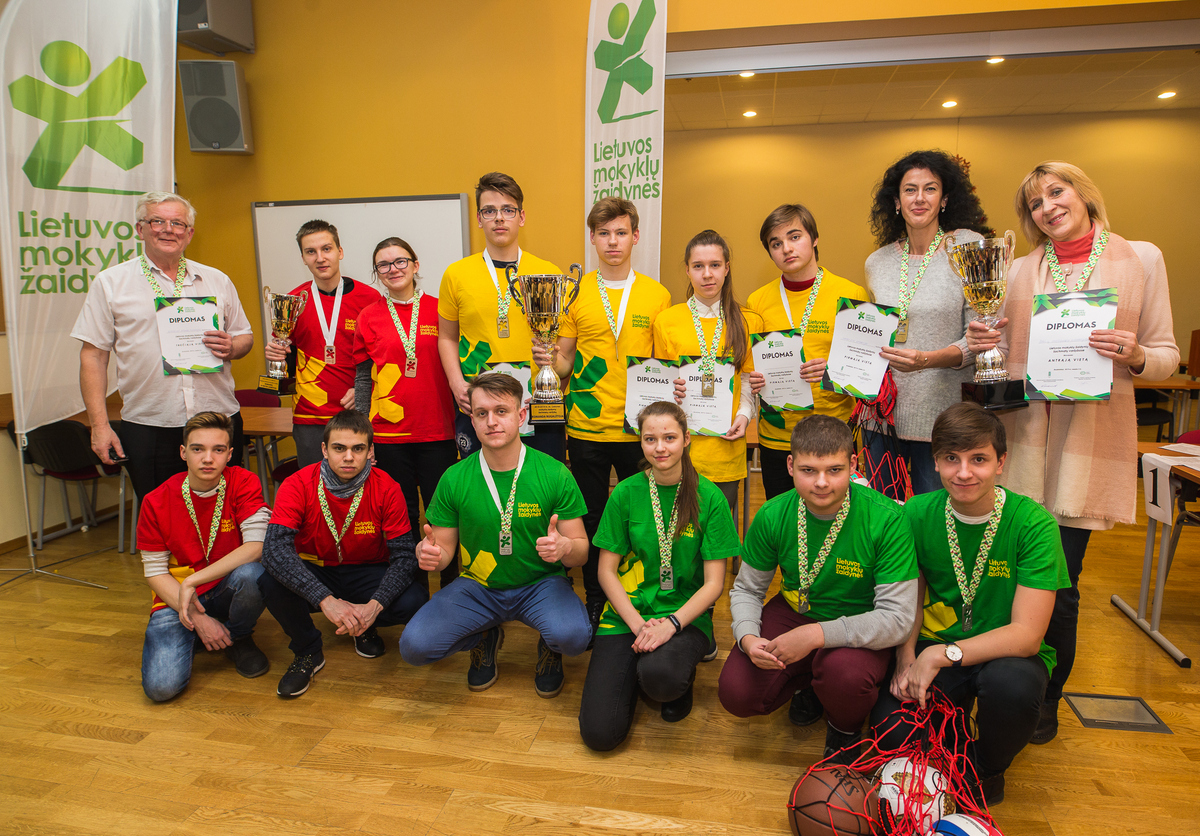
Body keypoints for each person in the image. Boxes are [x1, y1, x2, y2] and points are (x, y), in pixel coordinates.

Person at [965, 161, 1179, 744]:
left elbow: (1165, 354)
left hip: (1086, 448)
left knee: (1057, 584)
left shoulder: (1142, 259)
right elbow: (996, 350)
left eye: (1056, 192)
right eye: (1035, 203)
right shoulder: (1018, 270)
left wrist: (1136, 355)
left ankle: (1045, 698)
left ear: (1084, 193)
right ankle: (996, 685)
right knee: (1002, 577)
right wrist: (985, 344)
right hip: (1023, 443)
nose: (1047, 207)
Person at [871, 402, 1069, 805]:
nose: (963, 473)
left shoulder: (1034, 524)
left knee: (1012, 689)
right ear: (935, 461)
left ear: (1001, 462)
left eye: (978, 459)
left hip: (1006, 653)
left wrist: (940, 655)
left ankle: (987, 770)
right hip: (934, 641)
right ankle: (952, 725)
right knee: (891, 734)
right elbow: (911, 597)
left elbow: (1027, 636)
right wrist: (906, 656)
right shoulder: (916, 513)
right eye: (951, 459)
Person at [717, 415, 917, 764]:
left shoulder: (887, 519)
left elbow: (897, 619)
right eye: (808, 470)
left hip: (861, 620)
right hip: (796, 610)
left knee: (846, 677)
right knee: (737, 692)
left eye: (834, 470)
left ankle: (843, 728)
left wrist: (814, 636)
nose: (822, 483)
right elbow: (747, 589)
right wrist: (747, 638)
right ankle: (810, 682)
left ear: (853, 464)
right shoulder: (773, 514)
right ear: (790, 466)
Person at [398, 373, 591, 698]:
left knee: (573, 638)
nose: (491, 421)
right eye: (481, 413)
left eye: (501, 411)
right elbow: (443, 551)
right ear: (472, 420)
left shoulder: (555, 473)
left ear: (521, 415)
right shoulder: (454, 477)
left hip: (541, 583)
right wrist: (430, 555)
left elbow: (582, 551)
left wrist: (565, 547)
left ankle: (550, 644)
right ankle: (483, 635)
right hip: (479, 586)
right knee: (414, 647)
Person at [531, 197, 672, 633]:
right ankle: (595, 599)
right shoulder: (575, 293)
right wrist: (548, 359)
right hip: (586, 426)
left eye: (621, 232)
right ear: (592, 237)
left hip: (640, 430)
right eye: (604, 233)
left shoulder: (658, 294)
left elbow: (663, 363)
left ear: (635, 236)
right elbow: (565, 364)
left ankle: (641, 596)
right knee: (591, 521)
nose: (613, 242)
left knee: (642, 519)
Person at [72, 191, 254, 501]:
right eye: (157, 221)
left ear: (189, 233)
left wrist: (232, 347)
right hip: (150, 424)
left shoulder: (217, 280)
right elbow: (93, 356)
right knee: (161, 516)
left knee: (224, 513)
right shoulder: (111, 283)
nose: (168, 230)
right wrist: (99, 426)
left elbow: (244, 337)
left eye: (178, 223)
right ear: (140, 229)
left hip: (218, 421)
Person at [578, 402, 739, 751]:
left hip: (683, 615)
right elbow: (605, 571)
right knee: (599, 735)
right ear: (640, 442)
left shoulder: (709, 497)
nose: (660, 447)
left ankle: (669, 672)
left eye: (669, 437)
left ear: (686, 439)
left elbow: (715, 583)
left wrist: (671, 625)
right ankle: (640, 665)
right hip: (628, 613)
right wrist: (639, 626)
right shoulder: (625, 492)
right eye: (650, 439)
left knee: (662, 679)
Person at [259, 410, 429, 698]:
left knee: (415, 600)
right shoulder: (297, 484)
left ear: (370, 451)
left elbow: (404, 556)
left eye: (358, 449)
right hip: (317, 570)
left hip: (367, 571)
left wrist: (374, 606)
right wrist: (325, 600)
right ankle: (308, 650)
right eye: (339, 448)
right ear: (324, 450)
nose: (348, 457)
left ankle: (363, 625)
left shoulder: (388, 487)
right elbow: (274, 550)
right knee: (268, 581)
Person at [863, 151, 992, 498]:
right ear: (896, 201)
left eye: (930, 188)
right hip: (881, 418)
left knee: (935, 517)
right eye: (910, 190)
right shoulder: (877, 262)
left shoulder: (967, 249)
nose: (919, 198)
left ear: (944, 199)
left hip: (942, 417)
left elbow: (979, 338)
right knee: (882, 517)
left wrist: (927, 359)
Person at [137, 411, 271, 701]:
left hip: (223, 587)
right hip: (176, 598)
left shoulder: (243, 482)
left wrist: (193, 581)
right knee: (161, 689)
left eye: (218, 450)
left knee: (254, 575)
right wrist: (197, 616)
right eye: (198, 449)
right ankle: (203, 631)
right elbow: (155, 572)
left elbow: (257, 546)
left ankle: (238, 636)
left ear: (230, 454)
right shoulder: (155, 500)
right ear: (183, 452)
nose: (208, 459)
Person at [437, 172, 565, 461]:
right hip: (480, 404)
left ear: (521, 217)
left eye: (508, 210)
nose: (499, 218)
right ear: (479, 218)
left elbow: (560, 345)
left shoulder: (548, 273)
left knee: (542, 483)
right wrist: (457, 384)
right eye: (489, 211)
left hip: (537, 403)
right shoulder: (456, 274)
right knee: (481, 483)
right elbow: (447, 337)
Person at [354, 237, 457, 589]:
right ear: (377, 273)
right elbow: (363, 378)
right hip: (388, 435)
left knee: (443, 514)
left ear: (415, 265)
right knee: (403, 518)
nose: (393, 269)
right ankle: (411, 591)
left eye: (400, 261)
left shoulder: (441, 310)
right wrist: (364, 434)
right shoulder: (368, 316)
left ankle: (451, 589)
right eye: (384, 265)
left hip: (437, 430)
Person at [747, 204, 867, 501]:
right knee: (782, 520)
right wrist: (754, 380)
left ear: (814, 238)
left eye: (794, 237)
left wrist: (831, 371)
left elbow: (865, 374)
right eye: (776, 243)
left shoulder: (850, 295)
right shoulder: (757, 301)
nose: (786, 248)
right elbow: (750, 368)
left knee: (835, 521)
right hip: (777, 437)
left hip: (833, 434)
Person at [653, 229, 762, 516]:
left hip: (725, 447)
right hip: (677, 449)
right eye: (698, 266)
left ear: (727, 268)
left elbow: (748, 381)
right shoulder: (667, 321)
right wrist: (670, 389)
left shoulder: (748, 321)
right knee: (676, 530)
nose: (707, 274)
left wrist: (743, 416)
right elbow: (660, 385)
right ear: (687, 271)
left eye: (715, 265)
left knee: (717, 530)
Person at [265, 220, 377, 467]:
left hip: (356, 412)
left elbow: (381, 357)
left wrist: (363, 389)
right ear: (303, 258)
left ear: (340, 251)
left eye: (326, 249)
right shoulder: (293, 301)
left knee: (361, 484)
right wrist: (277, 355)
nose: (320, 258)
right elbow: (287, 359)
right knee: (313, 484)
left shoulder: (369, 298)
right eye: (311, 251)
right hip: (310, 415)